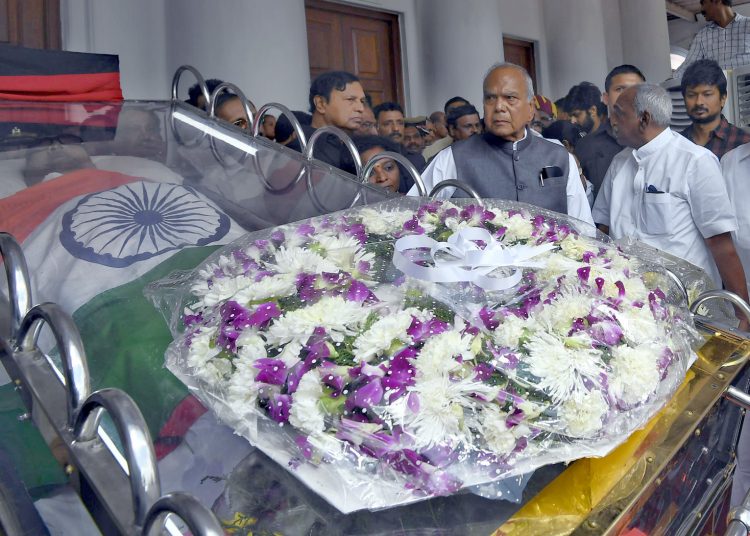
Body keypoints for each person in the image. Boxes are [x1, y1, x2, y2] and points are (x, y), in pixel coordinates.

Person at [592, 83, 748, 318]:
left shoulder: (694, 161)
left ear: (643, 119)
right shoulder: (619, 163)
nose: (612, 120)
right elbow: (601, 229)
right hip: (627, 304)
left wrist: (742, 312)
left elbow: (721, 245)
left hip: (687, 307)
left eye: (619, 113)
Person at [410, 62, 594, 227]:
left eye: (510, 98)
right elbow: (412, 216)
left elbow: (583, 228)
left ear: (530, 109)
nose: (499, 107)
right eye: (490, 98)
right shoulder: (453, 158)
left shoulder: (559, 158)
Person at [575, 65, 646, 196]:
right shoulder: (586, 146)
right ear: (606, 98)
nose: (628, 95)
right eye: (620, 89)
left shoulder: (657, 141)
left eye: (636, 89)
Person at [287, 70, 366, 174]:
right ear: (321, 103)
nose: (361, 108)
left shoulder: (357, 144)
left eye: (362, 101)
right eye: (350, 99)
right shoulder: (302, 147)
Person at [680, 59, 750, 159]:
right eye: (691, 95)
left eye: (707, 94)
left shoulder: (743, 142)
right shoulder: (677, 143)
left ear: (723, 98)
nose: (699, 102)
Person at [674, 0, 750, 77]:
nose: (701, 9)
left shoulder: (748, 24)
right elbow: (688, 66)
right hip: (718, 87)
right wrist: (671, 80)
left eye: (703, 3)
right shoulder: (702, 35)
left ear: (717, 1)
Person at [422, 96, 472, 162]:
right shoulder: (431, 152)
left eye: (463, 113)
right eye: (453, 114)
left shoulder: (484, 146)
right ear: (446, 119)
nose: (458, 118)